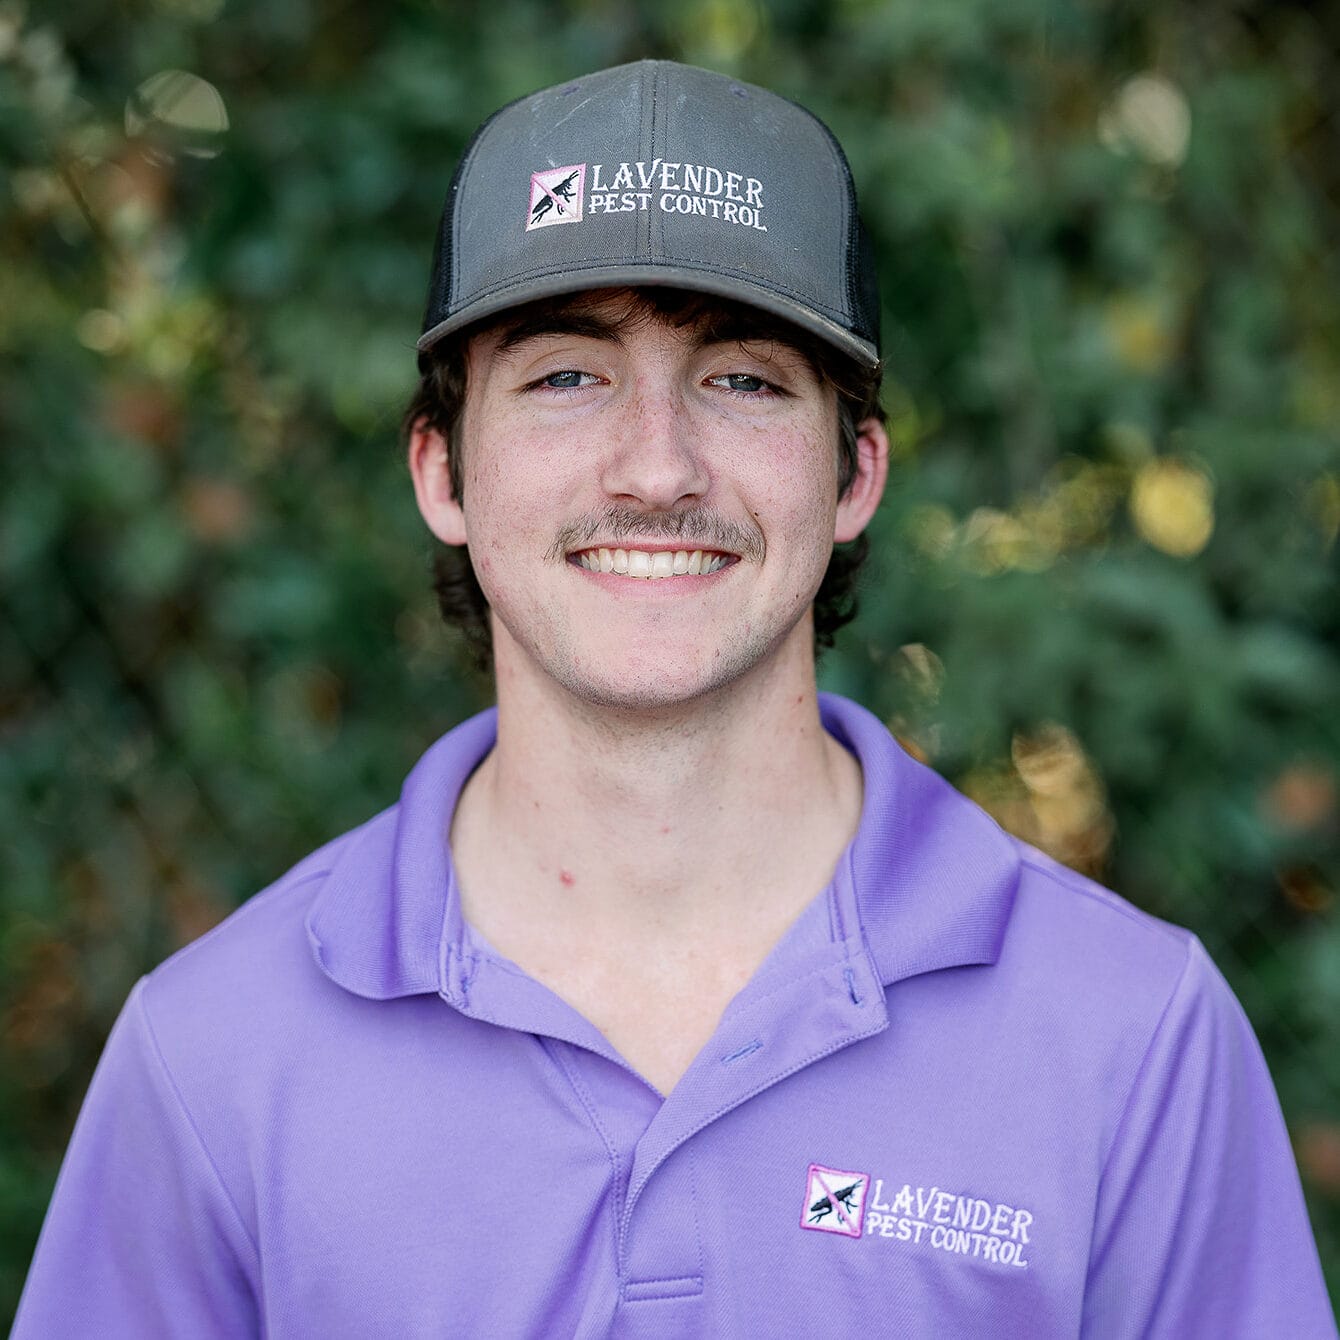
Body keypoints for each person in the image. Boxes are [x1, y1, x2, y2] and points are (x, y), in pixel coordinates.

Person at [13, 60, 1336, 1340]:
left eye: (744, 379)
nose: (656, 467)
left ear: (855, 471)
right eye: (567, 376)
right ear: (442, 471)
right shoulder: (214, 1060)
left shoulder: (1128, 1035)